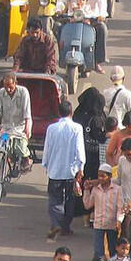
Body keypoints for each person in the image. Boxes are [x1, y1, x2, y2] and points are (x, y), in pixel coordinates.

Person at [43, 99, 85, 239]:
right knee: (69, 200)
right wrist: (81, 168)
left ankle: (56, 223)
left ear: (59, 113)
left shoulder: (51, 128)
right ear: (71, 113)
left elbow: (47, 149)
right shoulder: (77, 128)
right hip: (70, 172)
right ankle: (65, 227)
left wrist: (47, 165)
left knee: (55, 200)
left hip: (54, 171)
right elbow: (80, 150)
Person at [0, 72, 32, 169]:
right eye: (5, 87)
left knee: (20, 147)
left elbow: (27, 113)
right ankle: (6, 160)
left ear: (15, 83)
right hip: (6, 129)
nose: (8, 90)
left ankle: (26, 160)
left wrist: (27, 129)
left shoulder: (23, 92)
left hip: (20, 128)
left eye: (10, 87)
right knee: (1, 144)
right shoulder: (1, 93)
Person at [84, 167, 126, 261]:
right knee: (98, 251)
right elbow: (87, 205)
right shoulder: (95, 189)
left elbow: (120, 207)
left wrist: (119, 220)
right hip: (98, 224)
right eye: (99, 176)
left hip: (112, 225)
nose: (100, 178)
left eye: (103, 176)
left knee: (113, 250)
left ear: (110, 176)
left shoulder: (117, 190)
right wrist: (86, 190)